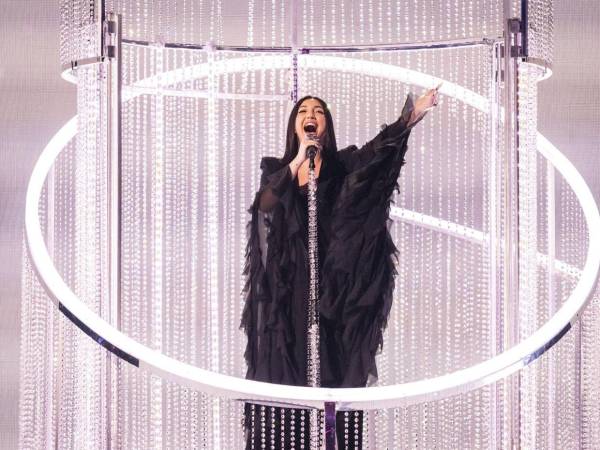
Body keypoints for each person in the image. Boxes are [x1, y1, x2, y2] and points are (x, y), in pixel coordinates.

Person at [241, 85, 440, 449]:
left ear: (327, 126)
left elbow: (377, 154)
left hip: (334, 295)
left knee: (336, 371)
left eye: (318, 111)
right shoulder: (277, 170)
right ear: (295, 126)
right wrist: (298, 161)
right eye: (303, 112)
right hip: (289, 296)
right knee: (287, 378)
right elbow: (265, 206)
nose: (311, 115)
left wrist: (413, 116)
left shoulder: (342, 165)